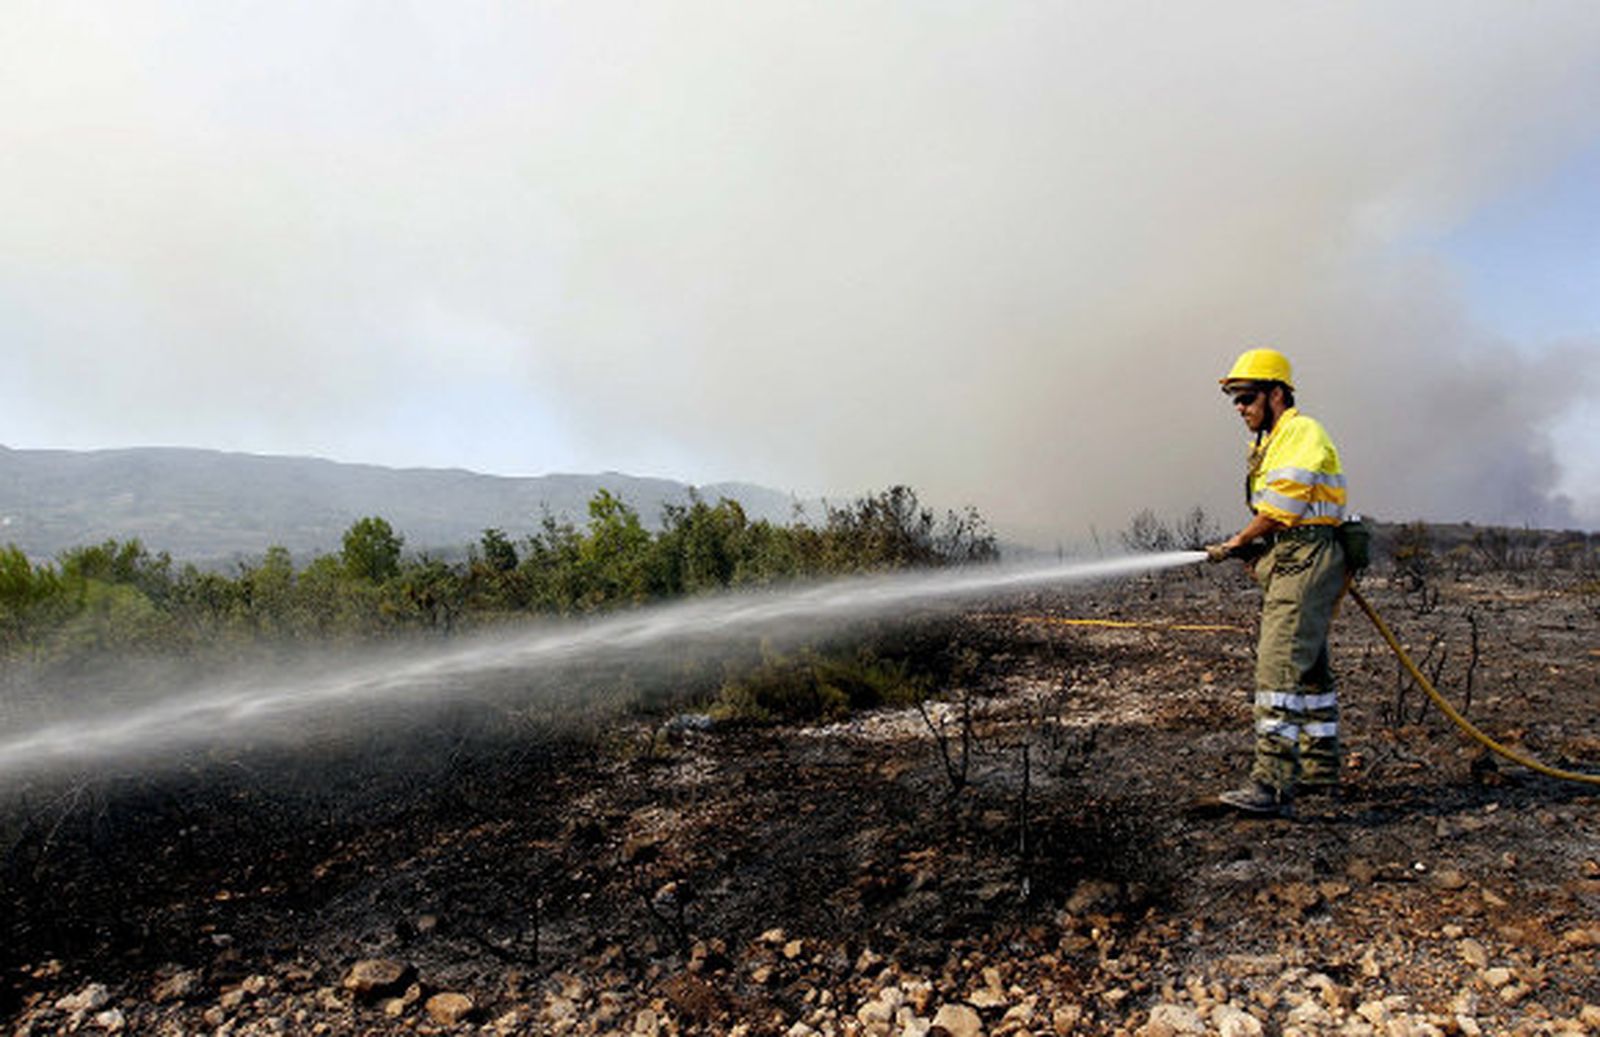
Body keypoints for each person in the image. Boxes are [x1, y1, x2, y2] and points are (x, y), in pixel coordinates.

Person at [1206, 348, 1348, 817]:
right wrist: (1255, 547)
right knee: (1307, 667)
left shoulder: (1301, 431)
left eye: (1246, 398)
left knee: (1278, 665)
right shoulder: (1269, 442)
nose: (1240, 408)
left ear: (1276, 393)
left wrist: (1239, 541)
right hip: (1292, 555)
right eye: (1235, 401)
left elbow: (1283, 508)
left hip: (1305, 556)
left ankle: (1271, 783)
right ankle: (1319, 772)